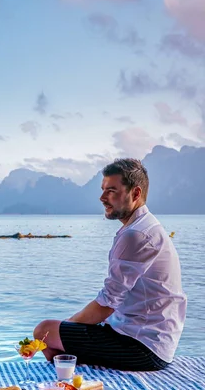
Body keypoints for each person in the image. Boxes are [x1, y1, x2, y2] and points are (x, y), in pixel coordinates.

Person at [34, 159, 187, 371]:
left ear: (135, 194)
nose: (102, 198)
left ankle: (71, 371)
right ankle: (76, 365)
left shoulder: (136, 234)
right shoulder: (145, 226)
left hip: (143, 347)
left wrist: (67, 327)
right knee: (58, 336)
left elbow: (107, 303)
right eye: (103, 190)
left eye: (111, 191)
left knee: (44, 331)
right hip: (152, 340)